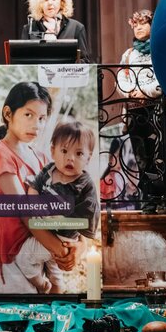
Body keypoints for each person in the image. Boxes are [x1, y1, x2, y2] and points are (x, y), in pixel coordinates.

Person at [0, 82, 78, 293]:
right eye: (28, 115)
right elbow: (25, 213)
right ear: (8, 113)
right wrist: (58, 249)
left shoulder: (40, 156)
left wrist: (67, 250)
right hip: (12, 259)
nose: (37, 124)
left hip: (38, 250)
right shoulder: (0, 155)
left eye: (42, 118)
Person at [28, 118, 100, 293]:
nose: (70, 158)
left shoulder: (85, 184)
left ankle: (41, 284)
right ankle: (54, 297)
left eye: (79, 154)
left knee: (25, 258)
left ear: (88, 158)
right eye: (64, 151)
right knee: (55, 275)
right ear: (53, 151)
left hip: (64, 239)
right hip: (45, 230)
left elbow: (89, 218)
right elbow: (33, 188)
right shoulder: (49, 170)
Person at [116, 9, 166, 208]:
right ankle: (147, 197)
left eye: (143, 23)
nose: (138, 27)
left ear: (152, 26)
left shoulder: (159, 50)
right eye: (135, 24)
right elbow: (121, 78)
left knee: (159, 154)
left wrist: (146, 91)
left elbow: (163, 78)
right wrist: (131, 92)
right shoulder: (128, 54)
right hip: (135, 111)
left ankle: (161, 196)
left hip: (155, 109)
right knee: (141, 155)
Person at [22, 0, 91, 62]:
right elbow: (23, 61)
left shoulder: (77, 27)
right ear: (39, 4)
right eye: (45, 0)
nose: (50, 3)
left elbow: (84, 61)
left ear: (62, 2)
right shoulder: (28, 28)